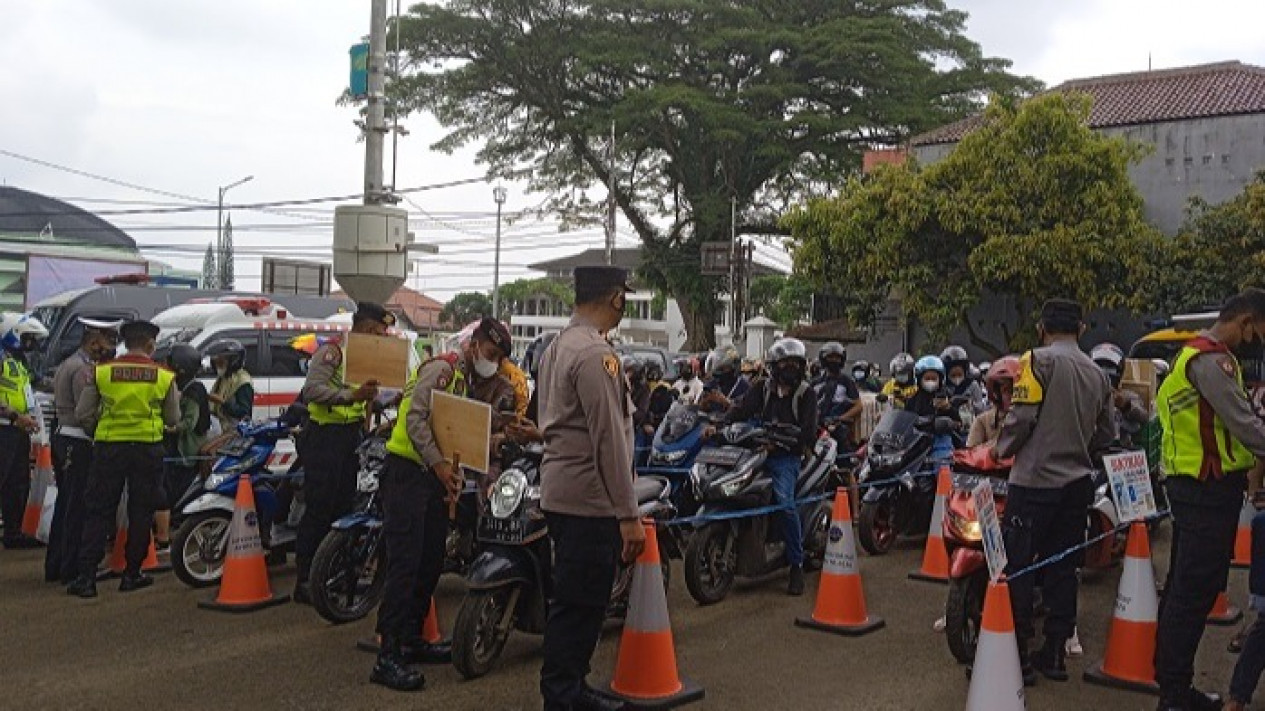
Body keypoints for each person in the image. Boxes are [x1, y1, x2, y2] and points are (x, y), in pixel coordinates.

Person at [370, 316, 512, 692]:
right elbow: (416, 420)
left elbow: (450, 429)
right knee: (405, 564)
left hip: (429, 481)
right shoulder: (444, 370)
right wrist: (438, 465)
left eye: (498, 358)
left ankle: (412, 639)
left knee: (430, 561)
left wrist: (457, 470)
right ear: (475, 344)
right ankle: (388, 655)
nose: (493, 362)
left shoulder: (462, 380)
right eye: (492, 353)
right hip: (407, 474)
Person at [537, 266, 644, 711]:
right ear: (616, 298)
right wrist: (629, 514)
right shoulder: (597, 355)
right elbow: (609, 440)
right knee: (581, 604)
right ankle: (563, 695)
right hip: (590, 498)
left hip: (562, 491)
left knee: (575, 599)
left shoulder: (557, 347)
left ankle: (571, 686)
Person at [994, 299, 1115, 686]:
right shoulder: (1097, 373)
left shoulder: (1036, 362)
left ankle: (1018, 657)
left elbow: (1022, 415)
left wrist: (1001, 449)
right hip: (1076, 486)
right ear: (1080, 329)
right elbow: (1107, 433)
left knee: (1021, 566)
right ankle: (1055, 654)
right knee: (1064, 568)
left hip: (1033, 483)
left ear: (1042, 328)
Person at [1154, 289, 1265, 711]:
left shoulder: (1193, 356)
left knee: (1184, 590)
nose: (1257, 342)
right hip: (1205, 490)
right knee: (1193, 593)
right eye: (1259, 333)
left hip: (1195, 488)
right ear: (1247, 321)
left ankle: (1172, 685)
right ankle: (1175, 694)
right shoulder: (1210, 360)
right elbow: (1244, 424)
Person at [67, 320, 180, 597]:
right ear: (151, 345)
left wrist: (100, 432)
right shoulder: (163, 375)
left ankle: (86, 579)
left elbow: (83, 413)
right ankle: (132, 574)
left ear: (124, 344)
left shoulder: (102, 371)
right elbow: (173, 418)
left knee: (99, 510)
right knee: (141, 512)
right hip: (147, 449)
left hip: (109, 448)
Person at [293, 302, 390, 604]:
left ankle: (329, 575)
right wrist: (352, 395)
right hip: (324, 438)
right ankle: (305, 579)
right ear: (361, 328)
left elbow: (368, 400)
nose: (380, 337)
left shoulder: (367, 357)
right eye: (376, 331)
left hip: (350, 440)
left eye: (383, 333)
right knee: (319, 509)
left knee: (343, 508)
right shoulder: (333, 352)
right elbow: (312, 390)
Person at [724, 338, 819, 596]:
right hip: (758, 452)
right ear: (774, 366)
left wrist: (782, 445)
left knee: (785, 503)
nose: (790, 369)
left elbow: (809, 433)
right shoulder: (762, 388)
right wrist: (717, 424)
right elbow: (741, 409)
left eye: (795, 364)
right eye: (785, 363)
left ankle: (796, 564)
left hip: (786, 458)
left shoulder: (806, 393)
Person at [45, 318, 119, 582]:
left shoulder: (70, 363)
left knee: (67, 505)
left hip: (65, 439)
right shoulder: (82, 370)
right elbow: (84, 412)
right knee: (77, 507)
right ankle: (71, 568)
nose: (109, 347)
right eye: (107, 341)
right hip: (77, 442)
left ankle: (57, 565)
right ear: (93, 341)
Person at [155, 344, 211, 550]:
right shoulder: (184, 386)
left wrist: (164, 427)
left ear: (181, 367)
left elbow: (188, 423)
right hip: (179, 448)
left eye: (170, 363)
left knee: (174, 490)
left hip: (186, 450)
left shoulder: (194, 390)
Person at [0, 313, 48, 550]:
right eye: (27, 338)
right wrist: (15, 416)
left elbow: (37, 384)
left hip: (19, 432)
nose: (31, 344)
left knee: (17, 484)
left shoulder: (18, 362)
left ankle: (13, 532)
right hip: (5, 429)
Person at [1090, 342, 1150, 448]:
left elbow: (1144, 417)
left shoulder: (1128, 396)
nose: (1106, 372)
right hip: (1092, 448)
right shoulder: (1085, 395)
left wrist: (1125, 405)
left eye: (1110, 367)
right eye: (1101, 367)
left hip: (1120, 449)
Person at [812, 342, 863, 448]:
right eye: (830, 357)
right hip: (817, 424)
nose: (834, 361)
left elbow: (858, 406)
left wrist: (840, 418)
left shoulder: (846, 381)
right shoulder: (815, 382)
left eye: (837, 358)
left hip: (838, 424)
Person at [967, 355, 1020, 449]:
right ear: (997, 393)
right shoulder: (982, 421)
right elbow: (971, 454)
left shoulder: (1033, 419)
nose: (1013, 396)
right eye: (1008, 390)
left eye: (1017, 390)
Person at [206, 339, 254, 433]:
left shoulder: (242, 382)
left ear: (232, 360)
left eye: (221, 360)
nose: (217, 364)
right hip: (219, 425)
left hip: (234, 430)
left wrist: (222, 402)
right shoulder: (224, 377)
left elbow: (244, 412)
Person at [942, 345, 988, 415]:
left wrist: (969, 404)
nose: (957, 378)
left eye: (959, 374)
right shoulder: (943, 387)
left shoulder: (973, 385)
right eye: (953, 375)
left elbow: (981, 409)